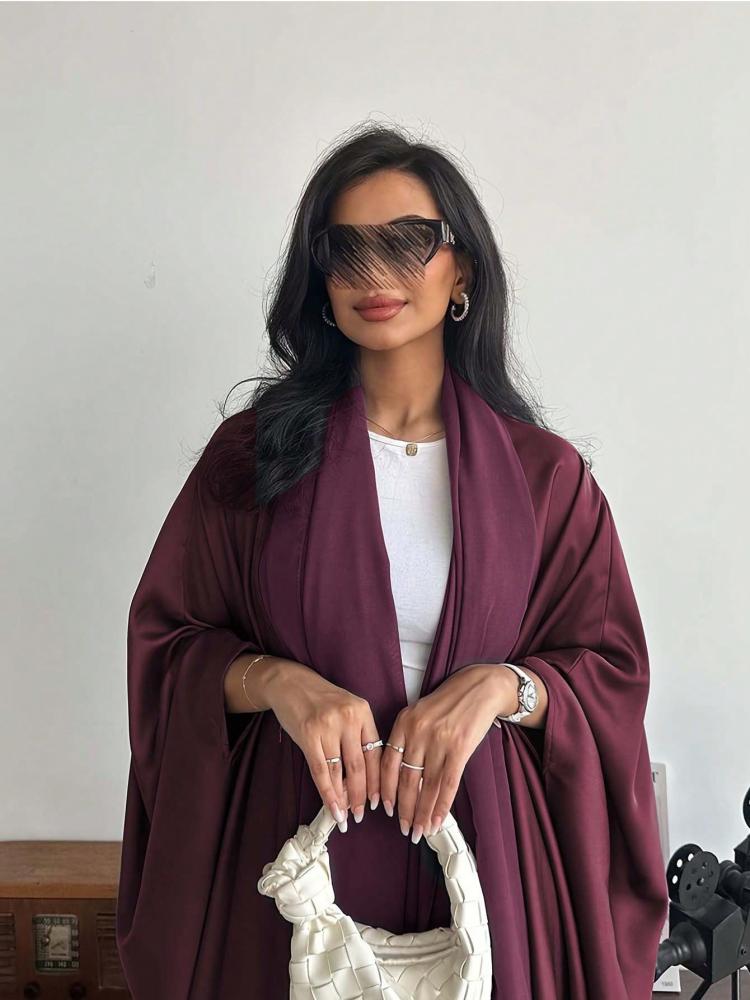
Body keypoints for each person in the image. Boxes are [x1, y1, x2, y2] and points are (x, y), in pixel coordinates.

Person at [116, 122, 668, 1000]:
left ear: (463, 272)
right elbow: (167, 646)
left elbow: (609, 671)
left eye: (408, 242)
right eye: (346, 250)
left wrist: (502, 689)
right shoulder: (251, 462)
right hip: (293, 870)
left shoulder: (545, 479)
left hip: (490, 868)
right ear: (319, 281)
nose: (375, 273)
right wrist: (277, 682)